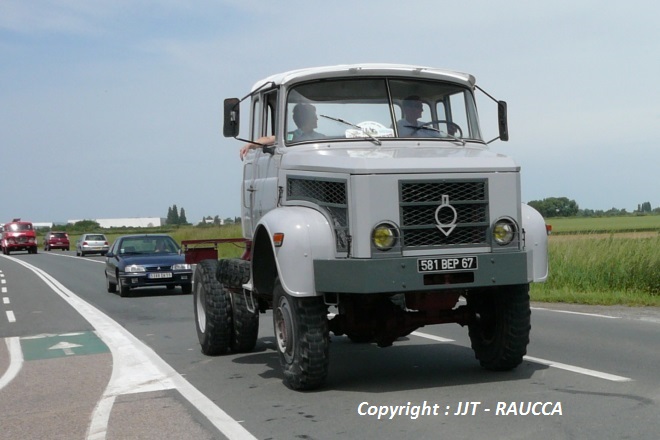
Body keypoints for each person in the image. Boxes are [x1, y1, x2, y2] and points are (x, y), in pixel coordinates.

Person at [239, 103, 324, 160]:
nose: (317, 119)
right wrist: (250, 145)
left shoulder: (322, 137)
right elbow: (269, 139)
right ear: (306, 118)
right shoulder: (291, 136)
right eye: (314, 116)